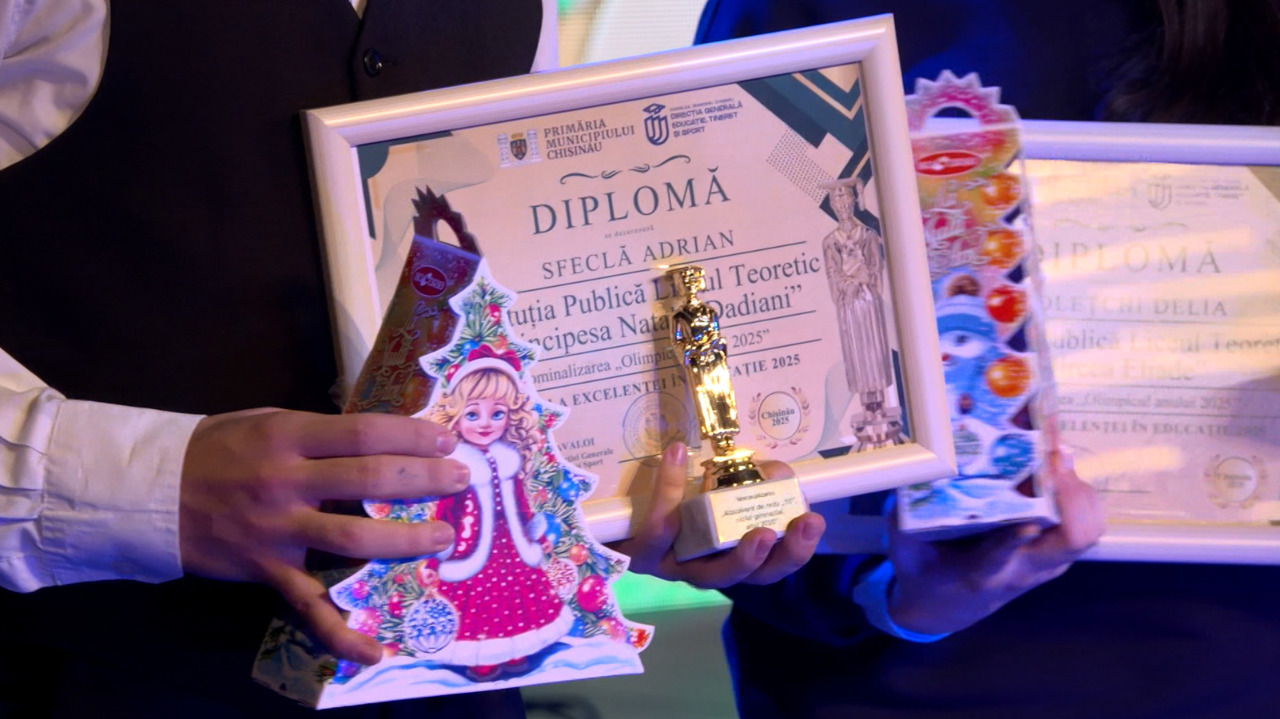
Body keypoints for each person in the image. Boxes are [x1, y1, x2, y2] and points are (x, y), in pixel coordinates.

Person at [0, 2, 825, 716]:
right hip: (80, 670)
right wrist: (151, 485)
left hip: (456, 689)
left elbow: (518, 284)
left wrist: (619, 498)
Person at [697, 1, 1280, 718]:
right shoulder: (802, 14)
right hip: (900, 679)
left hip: (1241, 662)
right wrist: (890, 596)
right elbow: (733, 388)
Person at [821, 178, 899, 447]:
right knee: (857, 351)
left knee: (873, 350)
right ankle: (866, 407)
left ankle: (879, 406)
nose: (842, 205)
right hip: (849, 304)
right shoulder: (830, 242)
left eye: (846, 199)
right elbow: (832, 272)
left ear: (853, 201)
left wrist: (862, 281)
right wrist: (846, 285)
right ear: (832, 205)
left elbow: (876, 267)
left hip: (866, 299)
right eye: (837, 200)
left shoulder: (867, 235)